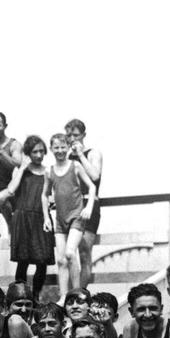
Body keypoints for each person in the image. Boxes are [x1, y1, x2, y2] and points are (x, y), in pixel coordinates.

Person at [0, 134, 51, 296]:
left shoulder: (48, 172)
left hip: (40, 217)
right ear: (28, 153)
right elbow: (10, 190)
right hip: (22, 218)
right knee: (23, 260)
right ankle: (21, 296)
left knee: (42, 261)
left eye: (41, 151)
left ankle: (36, 296)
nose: (39, 155)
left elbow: (49, 195)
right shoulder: (20, 171)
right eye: (34, 152)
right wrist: (22, 168)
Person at [42, 132, 96, 292]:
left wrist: (89, 207)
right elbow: (44, 195)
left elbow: (92, 186)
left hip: (77, 217)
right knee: (60, 260)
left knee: (70, 254)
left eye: (63, 147)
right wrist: (46, 218)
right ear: (51, 149)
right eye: (56, 147)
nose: (59, 150)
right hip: (60, 219)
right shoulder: (49, 171)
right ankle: (64, 296)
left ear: (68, 147)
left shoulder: (75, 166)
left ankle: (77, 293)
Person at [64, 120, 104, 290]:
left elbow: (95, 176)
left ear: (83, 135)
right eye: (69, 135)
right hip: (71, 207)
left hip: (89, 205)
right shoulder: (65, 156)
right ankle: (71, 293)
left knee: (85, 253)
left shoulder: (93, 153)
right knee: (68, 254)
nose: (72, 139)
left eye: (76, 135)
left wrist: (80, 155)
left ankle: (81, 294)